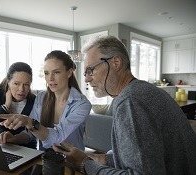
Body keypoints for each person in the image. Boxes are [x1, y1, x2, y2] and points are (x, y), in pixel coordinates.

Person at [52, 35, 196, 174]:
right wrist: (101, 158)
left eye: (91, 70)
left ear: (116, 62)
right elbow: (147, 154)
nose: (87, 79)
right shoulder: (143, 90)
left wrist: (85, 165)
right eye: (85, 73)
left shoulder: (130, 101)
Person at [0, 50, 92, 151]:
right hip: (44, 159)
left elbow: (58, 136)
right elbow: (30, 133)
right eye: (46, 73)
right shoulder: (41, 97)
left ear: (69, 72)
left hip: (72, 163)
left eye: (56, 72)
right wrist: (14, 138)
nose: (50, 78)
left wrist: (30, 122)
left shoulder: (82, 104)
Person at [0, 62, 37, 149]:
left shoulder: (34, 101)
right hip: (1, 148)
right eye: (16, 84)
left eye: (26, 84)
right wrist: (6, 106)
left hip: (27, 149)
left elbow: (34, 132)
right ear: (8, 82)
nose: (21, 89)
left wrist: (14, 139)